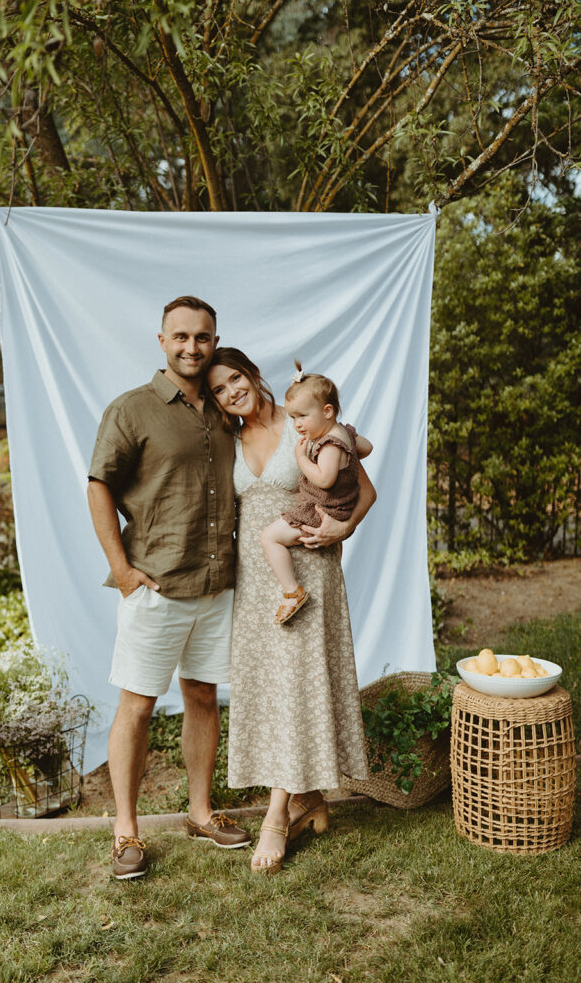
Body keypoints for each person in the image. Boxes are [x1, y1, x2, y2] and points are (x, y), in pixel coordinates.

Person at [87, 298, 250, 881]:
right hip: (155, 585)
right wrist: (124, 571)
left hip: (215, 584)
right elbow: (99, 487)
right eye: (180, 336)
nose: (192, 347)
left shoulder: (226, 412)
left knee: (203, 696)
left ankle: (201, 812)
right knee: (138, 705)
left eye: (202, 337)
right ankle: (125, 831)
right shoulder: (132, 410)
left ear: (214, 340)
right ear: (161, 340)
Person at [207, 348, 376, 874]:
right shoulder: (228, 440)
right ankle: (309, 799)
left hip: (309, 571)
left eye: (235, 377)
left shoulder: (303, 424)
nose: (231, 391)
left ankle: (276, 817)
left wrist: (343, 529)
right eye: (218, 388)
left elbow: (364, 490)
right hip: (259, 582)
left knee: (297, 685)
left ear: (253, 375)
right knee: (277, 690)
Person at [261, 360, 373, 625]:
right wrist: (351, 452)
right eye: (292, 417)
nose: (297, 425)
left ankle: (292, 591)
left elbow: (324, 479)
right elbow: (367, 448)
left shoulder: (330, 445)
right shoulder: (345, 433)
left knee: (269, 538)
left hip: (323, 512)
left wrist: (301, 458)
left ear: (327, 411)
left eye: (302, 416)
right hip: (337, 508)